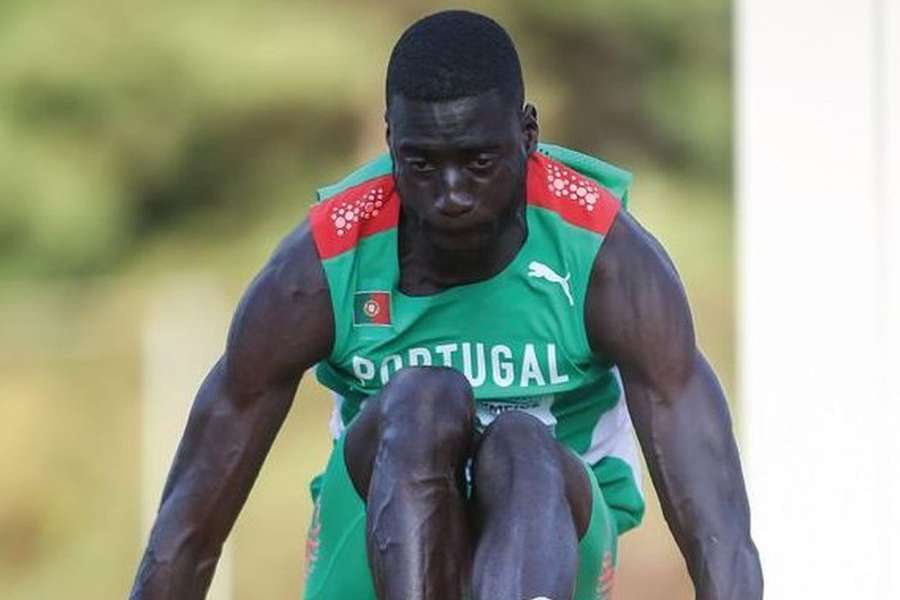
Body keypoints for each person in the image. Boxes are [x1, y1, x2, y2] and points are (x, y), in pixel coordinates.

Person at [130, 10, 762, 600]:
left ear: (528, 134)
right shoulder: (324, 262)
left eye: (479, 161)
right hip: (372, 541)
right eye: (422, 164)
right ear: (390, 143)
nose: (451, 194)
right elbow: (190, 520)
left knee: (521, 443)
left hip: (551, 533)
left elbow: (718, 529)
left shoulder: (607, 258)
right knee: (424, 398)